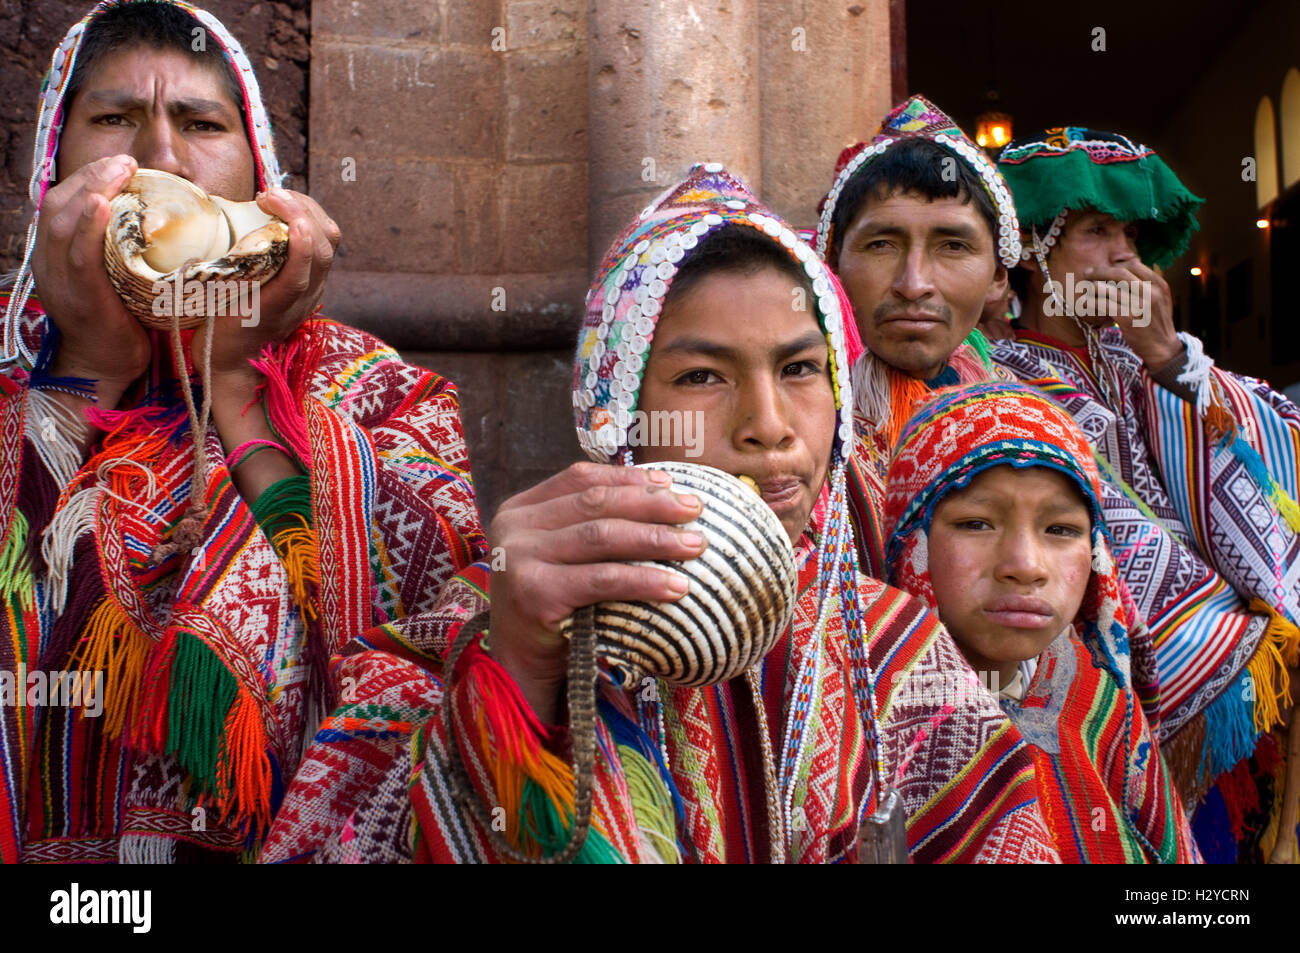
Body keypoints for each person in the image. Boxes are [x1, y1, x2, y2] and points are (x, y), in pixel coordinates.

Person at [274, 164, 1061, 863]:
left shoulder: (894, 648)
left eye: (797, 368)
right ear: (617, 411)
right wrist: (514, 678)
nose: (769, 423)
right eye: (702, 377)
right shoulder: (490, 620)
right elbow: (335, 838)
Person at [0, 0, 486, 862]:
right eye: (113, 119)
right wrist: (86, 369)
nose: (160, 156)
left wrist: (233, 383)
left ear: (259, 171)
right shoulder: (12, 364)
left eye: (201, 123)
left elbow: (426, 643)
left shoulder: (378, 394)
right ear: (51, 162)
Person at [993, 128, 1300, 861]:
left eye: (1131, 233)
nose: (1126, 256)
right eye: (1098, 231)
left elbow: (1278, 447)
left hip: (1214, 696)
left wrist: (1170, 359)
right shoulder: (1001, 372)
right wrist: (1231, 624)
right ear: (1034, 250)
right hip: (1098, 692)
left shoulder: (1134, 354)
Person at [883, 381, 1201, 862]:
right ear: (911, 543)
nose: (1026, 564)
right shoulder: (870, 730)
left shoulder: (1100, 705)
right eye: (976, 523)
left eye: (1061, 530)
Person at [813, 95, 1021, 578]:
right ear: (831, 261)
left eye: (953, 245)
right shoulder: (799, 419)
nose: (913, 283)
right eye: (881, 244)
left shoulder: (1018, 413)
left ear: (997, 277)